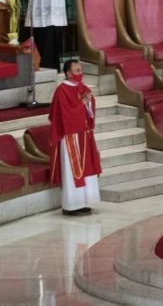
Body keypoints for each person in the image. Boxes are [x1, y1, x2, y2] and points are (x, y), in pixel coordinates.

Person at [48, 59, 101, 216]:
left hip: (84, 135)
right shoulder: (61, 91)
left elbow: (88, 105)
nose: (80, 74)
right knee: (73, 172)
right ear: (68, 73)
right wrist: (82, 103)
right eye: (77, 71)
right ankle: (71, 205)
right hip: (70, 136)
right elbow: (65, 115)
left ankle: (85, 202)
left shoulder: (81, 86)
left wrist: (89, 102)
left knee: (87, 168)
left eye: (81, 70)